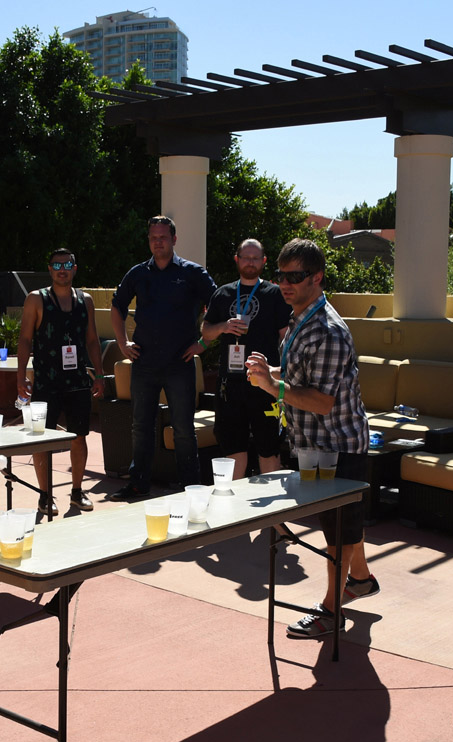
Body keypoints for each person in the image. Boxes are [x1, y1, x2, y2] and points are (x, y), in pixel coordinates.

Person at [244, 238, 375, 639]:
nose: (286, 283)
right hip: (315, 445)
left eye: (295, 276)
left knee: (336, 533)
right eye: (281, 275)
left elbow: (321, 402)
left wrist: (272, 387)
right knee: (344, 523)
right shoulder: (301, 316)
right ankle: (362, 580)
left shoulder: (329, 331)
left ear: (316, 278)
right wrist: (274, 374)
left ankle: (332, 611)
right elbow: (302, 379)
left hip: (337, 446)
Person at [109, 216, 216, 499]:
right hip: (143, 362)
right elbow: (117, 306)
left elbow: (217, 306)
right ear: (149, 241)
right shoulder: (137, 273)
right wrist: (122, 343)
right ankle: (138, 484)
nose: (158, 242)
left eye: (163, 237)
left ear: (174, 239)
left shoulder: (193, 273)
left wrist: (203, 343)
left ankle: (189, 486)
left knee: (183, 428)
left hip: (180, 363)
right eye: (154, 237)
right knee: (140, 426)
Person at [17, 249, 105, 514]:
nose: (62, 269)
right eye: (57, 265)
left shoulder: (85, 300)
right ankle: (45, 495)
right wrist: (21, 375)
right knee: (41, 439)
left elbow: (92, 339)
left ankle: (77, 492)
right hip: (46, 380)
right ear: (50, 268)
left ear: (75, 268)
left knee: (79, 436)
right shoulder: (37, 299)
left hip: (77, 379)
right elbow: (24, 339)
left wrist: (99, 374)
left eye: (67, 264)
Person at [202, 239, 292, 477]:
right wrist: (223, 326)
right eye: (246, 257)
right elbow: (206, 332)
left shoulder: (275, 295)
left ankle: (274, 512)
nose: (250, 262)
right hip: (230, 386)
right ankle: (233, 511)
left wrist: (284, 372)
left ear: (263, 261)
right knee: (233, 451)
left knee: (269, 450)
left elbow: (287, 339)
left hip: (265, 385)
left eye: (255, 258)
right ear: (237, 259)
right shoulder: (222, 294)